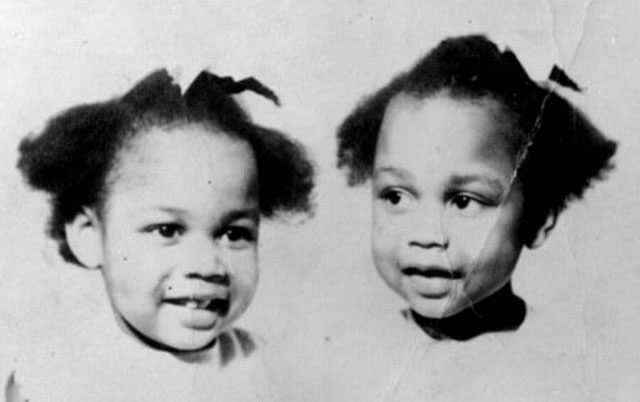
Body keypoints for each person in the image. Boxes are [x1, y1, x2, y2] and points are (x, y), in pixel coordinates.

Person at [331, 34, 617, 400]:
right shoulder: (346, 359)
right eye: (395, 195)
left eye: (464, 201)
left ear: (540, 216)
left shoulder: (570, 365)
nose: (425, 234)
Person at [8, 69, 314, 401]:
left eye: (233, 233)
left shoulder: (265, 371)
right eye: (168, 230)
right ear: (89, 236)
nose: (207, 265)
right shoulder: (55, 380)